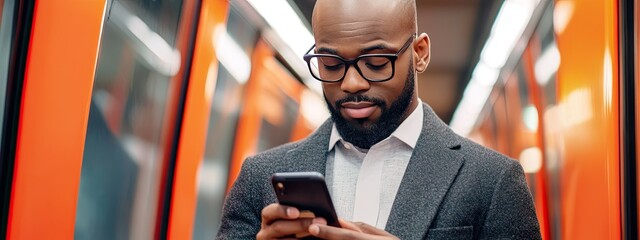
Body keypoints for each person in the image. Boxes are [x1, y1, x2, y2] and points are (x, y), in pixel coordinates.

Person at [217, 0, 541, 239]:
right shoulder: (259, 178)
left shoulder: (493, 180)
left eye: (375, 62)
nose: (351, 84)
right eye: (330, 64)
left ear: (419, 53)